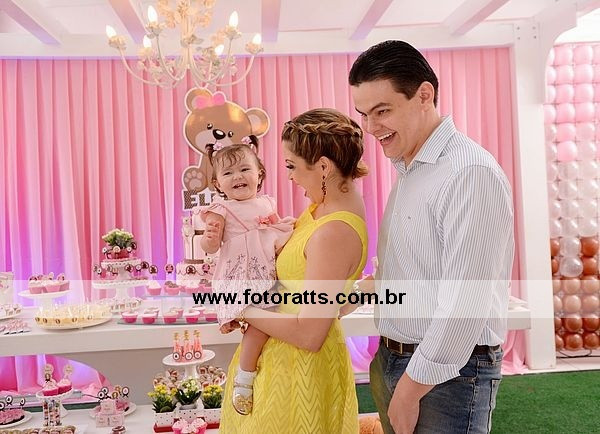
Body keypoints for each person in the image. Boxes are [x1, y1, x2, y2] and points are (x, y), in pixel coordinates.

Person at [346, 40, 515, 434]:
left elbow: (464, 302)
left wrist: (410, 390)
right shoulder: (411, 168)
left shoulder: (468, 172)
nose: (370, 128)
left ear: (424, 95)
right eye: (364, 115)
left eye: (382, 111)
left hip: (448, 374)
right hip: (396, 359)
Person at [219, 108, 369, 433]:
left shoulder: (333, 230)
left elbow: (309, 334)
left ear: (324, 167)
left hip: (296, 377)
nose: (289, 176)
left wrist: (239, 306)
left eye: (291, 166)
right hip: (279, 365)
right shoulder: (322, 207)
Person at [200, 139, 295, 415]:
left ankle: (258, 371)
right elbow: (210, 247)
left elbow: (275, 230)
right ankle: (245, 376)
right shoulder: (222, 209)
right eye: (228, 173)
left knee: (272, 322)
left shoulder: (266, 203)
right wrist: (209, 239)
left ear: (259, 174)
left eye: (244, 169)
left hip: (267, 270)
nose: (237, 177)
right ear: (218, 183)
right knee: (259, 326)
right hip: (242, 275)